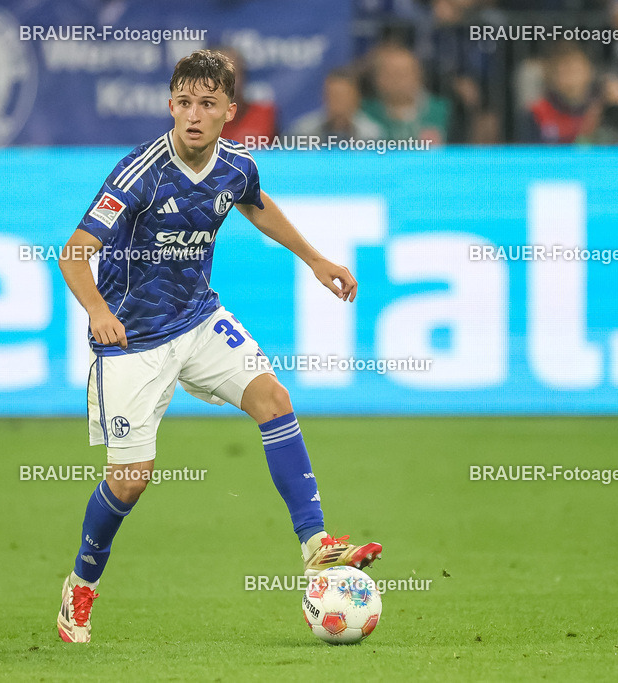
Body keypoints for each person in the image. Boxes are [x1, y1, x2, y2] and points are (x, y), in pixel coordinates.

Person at [54, 49, 382, 644]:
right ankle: (81, 586)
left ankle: (316, 543)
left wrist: (316, 260)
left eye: (208, 104)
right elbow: (74, 253)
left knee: (274, 399)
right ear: (170, 106)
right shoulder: (140, 172)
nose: (194, 115)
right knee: (130, 480)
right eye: (184, 103)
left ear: (230, 110)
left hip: (200, 320)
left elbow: (256, 206)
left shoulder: (236, 165)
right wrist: (99, 312)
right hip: (133, 340)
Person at [363, 43, 452, 144]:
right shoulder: (363, 113)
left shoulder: (443, 110)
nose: (397, 80)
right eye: (391, 73)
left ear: (419, 75)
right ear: (376, 78)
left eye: (404, 73)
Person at [519, 42, 598, 144]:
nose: (571, 79)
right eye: (564, 72)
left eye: (575, 70)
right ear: (551, 76)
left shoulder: (603, 110)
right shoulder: (537, 113)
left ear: (588, 71)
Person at [289, 69, 382, 141]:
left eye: (343, 95)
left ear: (356, 98)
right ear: (323, 97)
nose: (338, 101)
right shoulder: (302, 131)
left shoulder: (372, 134)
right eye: (333, 95)